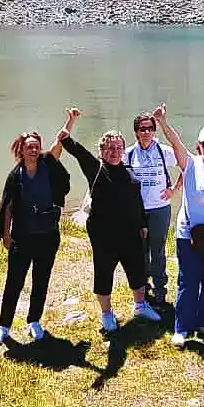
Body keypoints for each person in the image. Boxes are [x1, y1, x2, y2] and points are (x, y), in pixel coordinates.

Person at [59, 107, 162, 332]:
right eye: (110, 148)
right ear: (102, 150)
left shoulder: (128, 170)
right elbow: (67, 142)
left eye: (118, 148)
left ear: (123, 150)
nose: (115, 152)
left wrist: (143, 224)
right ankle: (107, 314)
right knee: (104, 273)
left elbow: (137, 201)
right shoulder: (95, 168)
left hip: (131, 232)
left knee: (138, 270)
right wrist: (71, 120)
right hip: (104, 234)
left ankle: (140, 305)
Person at [0, 123, 71, 345]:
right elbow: (7, 206)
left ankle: (34, 321)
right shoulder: (16, 175)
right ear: (21, 150)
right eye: (29, 147)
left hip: (48, 234)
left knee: (41, 280)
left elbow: (58, 146)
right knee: (14, 281)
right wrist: (6, 234)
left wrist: (70, 121)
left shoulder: (47, 165)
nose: (33, 150)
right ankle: (3, 326)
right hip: (22, 237)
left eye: (36, 147)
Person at [155, 105, 204, 346]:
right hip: (189, 236)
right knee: (188, 280)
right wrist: (162, 121)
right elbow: (175, 142)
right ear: (198, 146)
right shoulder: (191, 164)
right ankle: (182, 327)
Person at [126, 109, 181, 305]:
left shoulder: (164, 151)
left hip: (160, 209)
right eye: (142, 129)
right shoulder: (129, 154)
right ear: (136, 132)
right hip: (137, 212)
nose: (146, 132)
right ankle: (143, 286)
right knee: (140, 251)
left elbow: (186, 166)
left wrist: (173, 190)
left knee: (157, 250)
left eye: (150, 128)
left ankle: (160, 287)